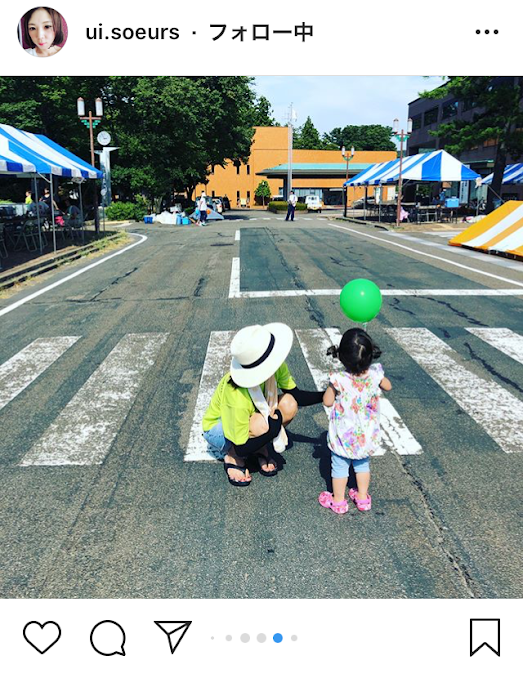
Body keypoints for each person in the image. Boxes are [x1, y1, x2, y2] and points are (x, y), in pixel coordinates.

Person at [202, 323, 324, 486]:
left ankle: (260, 447)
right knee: (261, 425)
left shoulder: (275, 366)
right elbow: (241, 447)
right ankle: (231, 457)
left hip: (254, 417)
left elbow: (296, 395)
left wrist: (328, 394)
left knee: (289, 403)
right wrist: (272, 430)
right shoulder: (236, 394)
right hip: (218, 430)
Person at [319, 328, 391, 514]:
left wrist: (331, 387)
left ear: (342, 357)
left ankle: (338, 501)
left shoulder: (339, 379)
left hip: (343, 434)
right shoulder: (375, 374)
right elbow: (388, 386)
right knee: (362, 465)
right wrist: (377, 377)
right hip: (365, 435)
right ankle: (362, 498)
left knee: (340, 467)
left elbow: (327, 401)